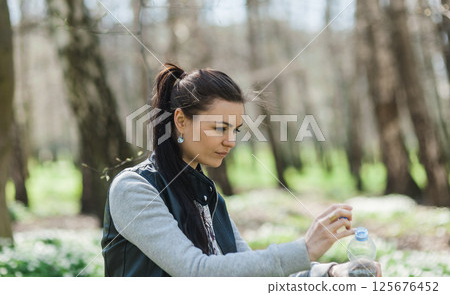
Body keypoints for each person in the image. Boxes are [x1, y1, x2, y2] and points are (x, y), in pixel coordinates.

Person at [101, 63, 381, 277]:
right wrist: (304, 249)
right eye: (220, 128)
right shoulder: (134, 189)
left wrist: (332, 273)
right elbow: (195, 271)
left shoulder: (208, 197)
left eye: (235, 130)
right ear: (181, 121)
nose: (231, 141)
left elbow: (248, 273)